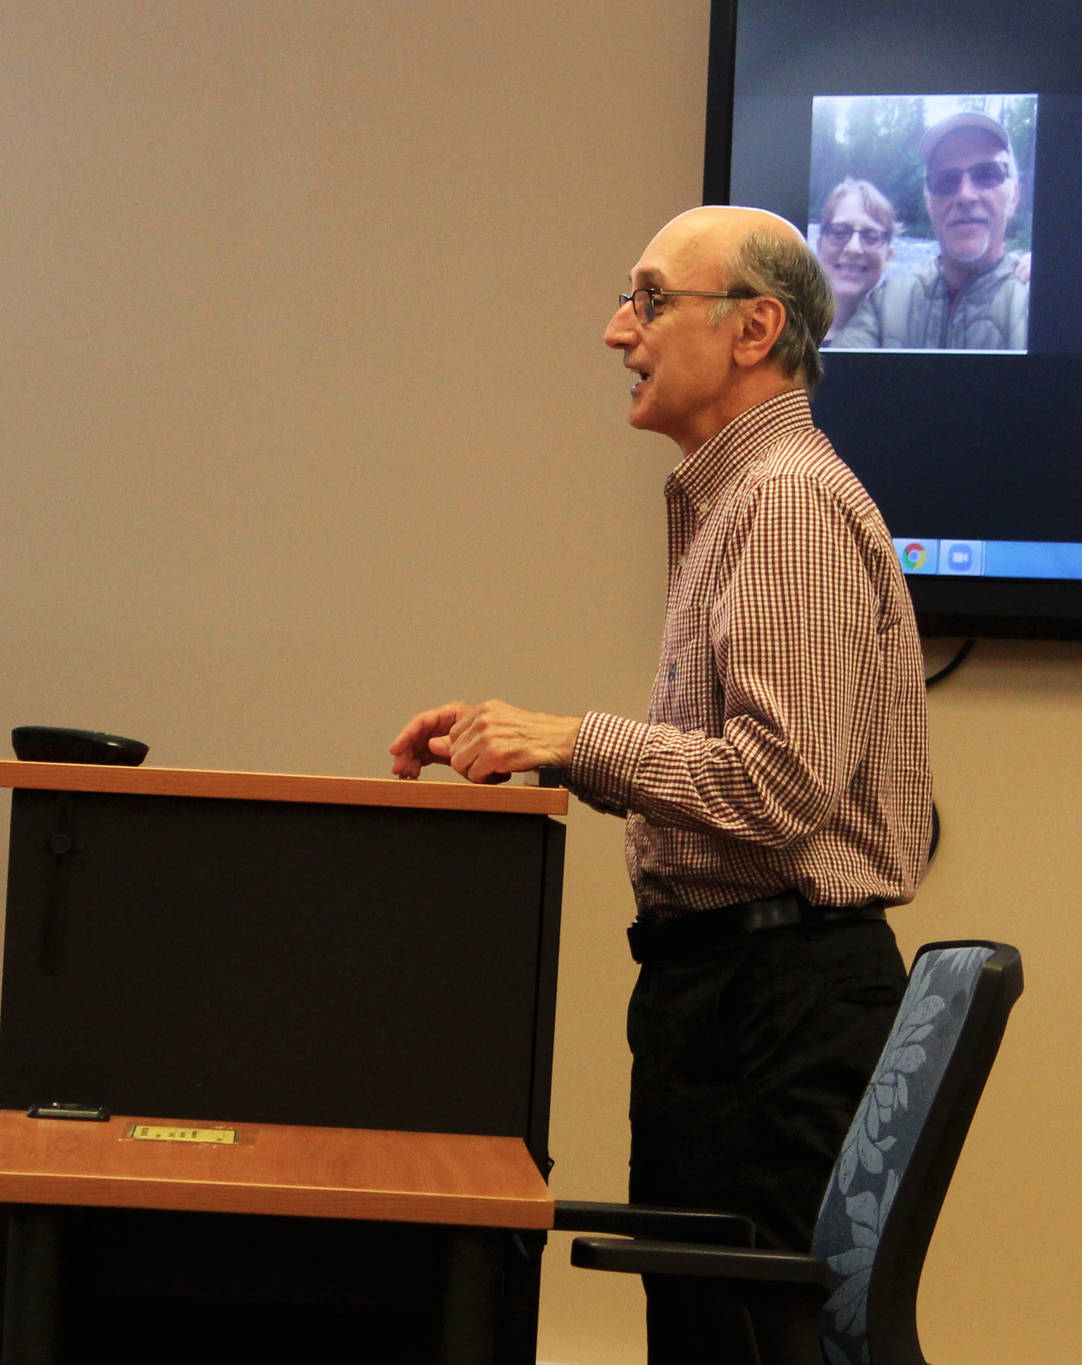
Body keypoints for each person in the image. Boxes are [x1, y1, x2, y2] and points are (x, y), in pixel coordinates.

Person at [390, 205, 931, 1365]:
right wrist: (539, 742)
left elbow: (778, 788)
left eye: (645, 298)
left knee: (742, 1343)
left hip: (771, 1005)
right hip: (732, 991)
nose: (611, 330)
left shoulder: (783, 502)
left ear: (753, 329)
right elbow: (734, 779)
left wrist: (579, 740)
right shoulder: (736, 497)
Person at [829, 110, 1029, 350]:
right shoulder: (886, 303)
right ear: (928, 204)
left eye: (987, 175)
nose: (965, 195)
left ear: (1014, 196)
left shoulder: (1039, 301)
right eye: (945, 180)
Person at [814, 176, 897, 340]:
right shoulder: (786, 331)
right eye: (839, 232)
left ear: (888, 256)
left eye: (871, 236)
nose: (854, 248)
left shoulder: (901, 339)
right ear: (819, 246)